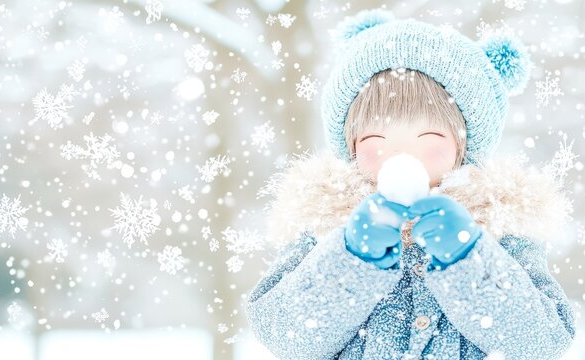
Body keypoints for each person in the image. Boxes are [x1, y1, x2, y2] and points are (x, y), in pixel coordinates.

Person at [244, 8, 575, 359]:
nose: (401, 153)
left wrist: (469, 257)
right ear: (351, 146)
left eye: (427, 136)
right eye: (377, 137)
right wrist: (350, 258)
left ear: (464, 148)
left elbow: (541, 342)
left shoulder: (501, 233)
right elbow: (286, 336)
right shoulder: (325, 229)